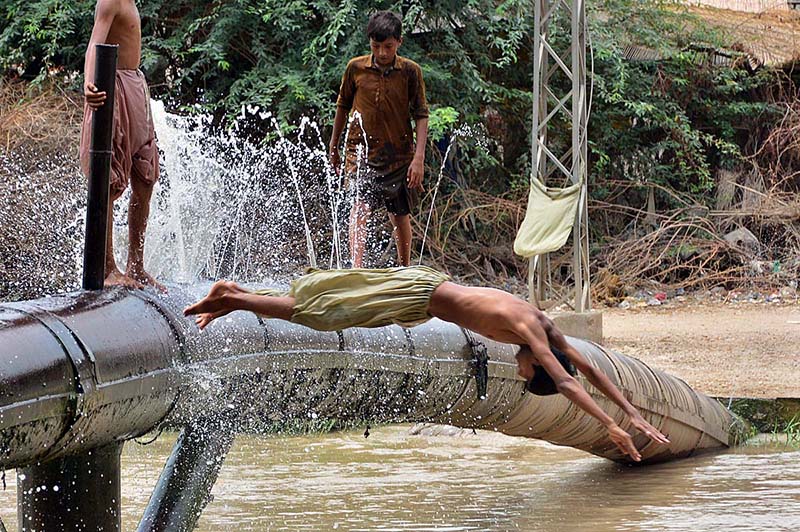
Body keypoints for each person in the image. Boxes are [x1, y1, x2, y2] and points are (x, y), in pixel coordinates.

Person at [184, 266, 670, 461]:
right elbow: (567, 381)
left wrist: (630, 410)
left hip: (421, 293)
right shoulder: (532, 337)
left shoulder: (545, 326)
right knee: (323, 315)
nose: (521, 375)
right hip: (419, 294)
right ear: (536, 366)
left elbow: (590, 369)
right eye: (529, 379)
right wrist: (612, 424)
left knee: (327, 310)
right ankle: (235, 298)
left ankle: (238, 298)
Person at [329, 10, 429, 268]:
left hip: (398, 155)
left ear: (399, 42)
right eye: (376, 46)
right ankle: (356, 269)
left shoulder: (410, 72)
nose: (382, 53)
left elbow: (421, 114)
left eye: (388, 46)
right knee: (359, 207)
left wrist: (418, 159)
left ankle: (405, 268)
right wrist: (334, 145)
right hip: (360, 152)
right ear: (370, 43)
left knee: (400, 215)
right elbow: (342, 105)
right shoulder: (356, 68)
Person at [80, 0, 162, 290]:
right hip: (112, 86)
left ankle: (136, 265)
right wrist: (91, 83)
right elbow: (94, 44)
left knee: (146, 175)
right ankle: (107, 267)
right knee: (107, 175)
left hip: (135, 84)